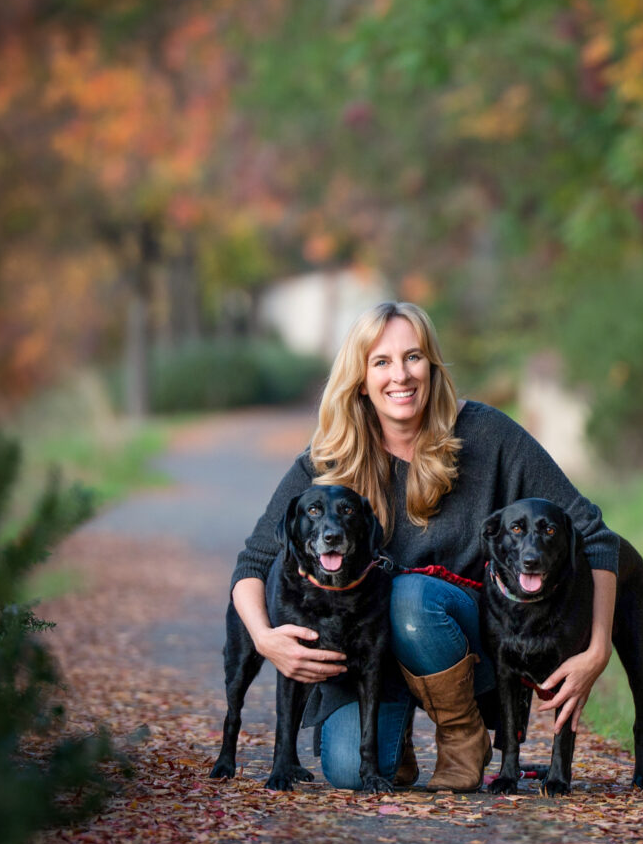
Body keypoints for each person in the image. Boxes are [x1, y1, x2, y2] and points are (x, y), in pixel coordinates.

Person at [230, 301, 619, 791]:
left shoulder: (489, 436)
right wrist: (266, 639)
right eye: (382, 362)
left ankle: (463, 734)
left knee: (410, 596)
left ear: (432, 367)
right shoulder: (329, 459)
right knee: (353, 771)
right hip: (366, 660)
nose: (401, 376)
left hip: (462, 645)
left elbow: (595, 536)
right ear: (360, 378)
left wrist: (598, 647)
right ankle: (397, 747)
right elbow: (254, 562)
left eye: (413, 358)